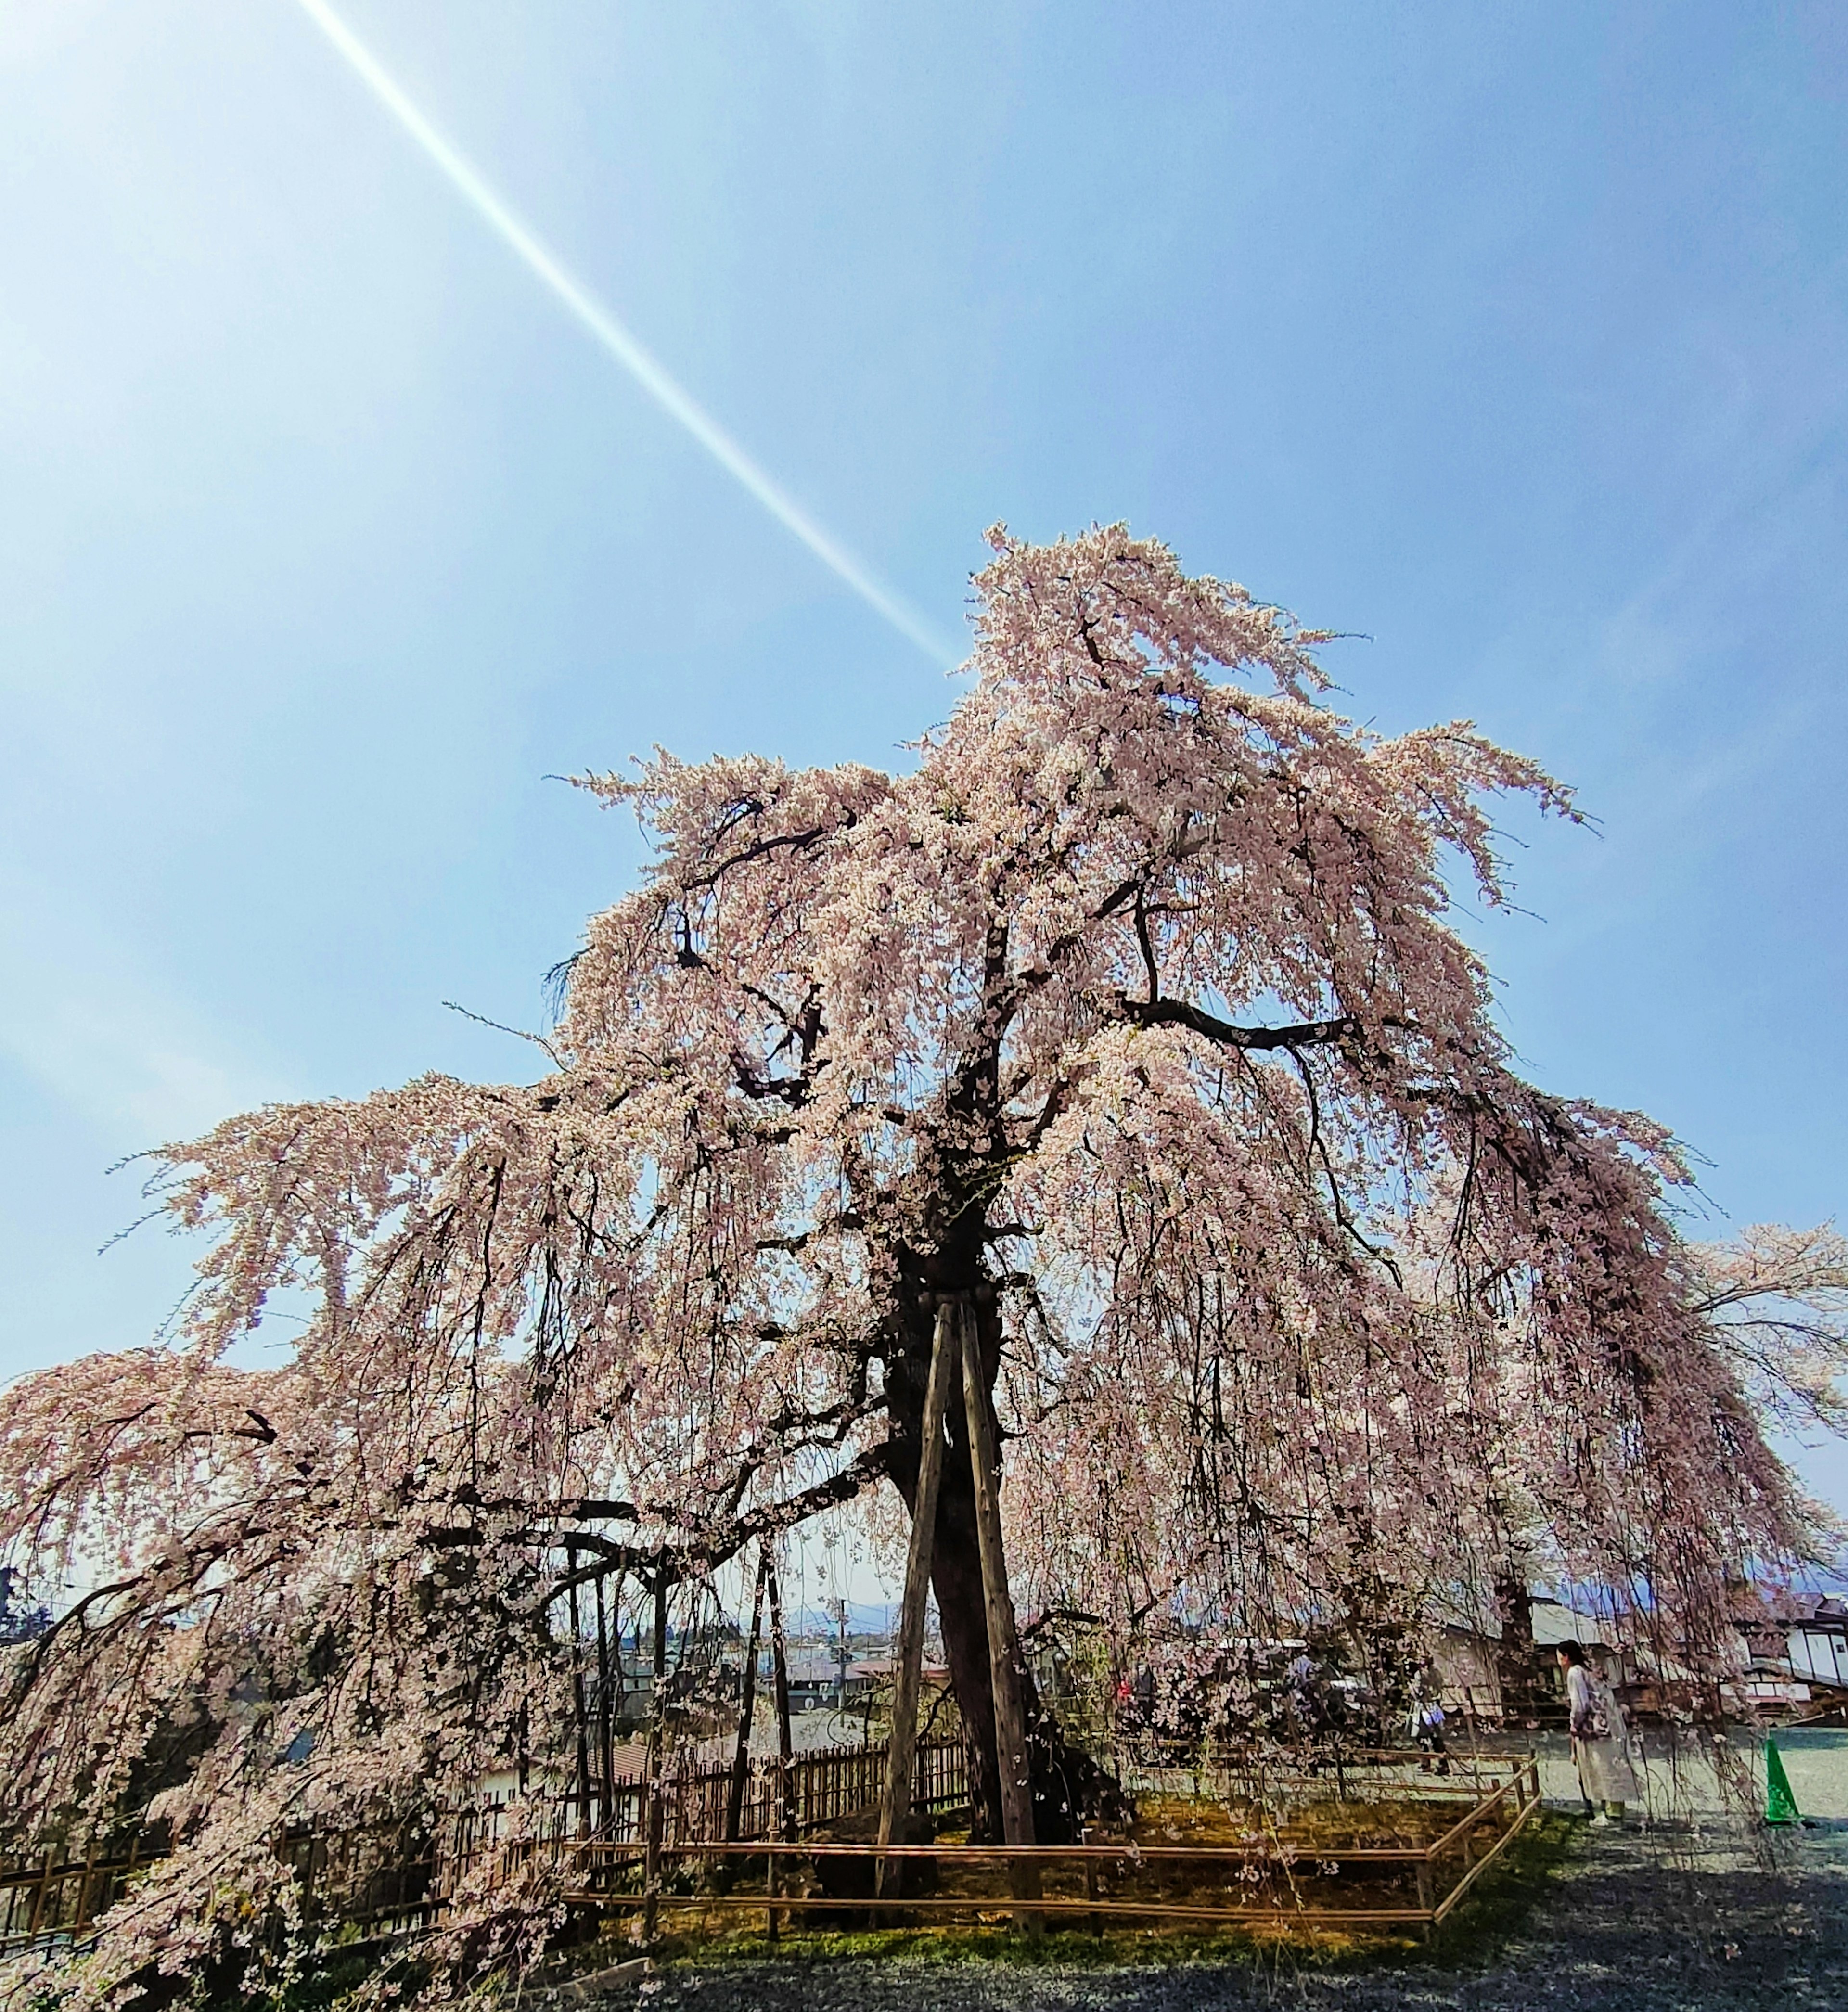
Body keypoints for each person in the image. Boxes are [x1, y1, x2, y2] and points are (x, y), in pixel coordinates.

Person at [1557, 1640, 1638, 1826]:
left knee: (1602, 1766)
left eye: (1559, 1656)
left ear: (1566, 1657)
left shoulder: (1575, 1672)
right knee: (1612, 1764)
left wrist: (1575, 1725)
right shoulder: (1589, 1671)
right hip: (1609, 1723)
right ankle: (1615, 1810)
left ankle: (1610, 1815)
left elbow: (1580, 1704)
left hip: (1595, 1727)